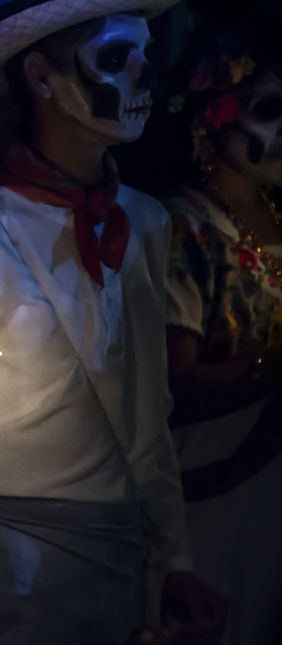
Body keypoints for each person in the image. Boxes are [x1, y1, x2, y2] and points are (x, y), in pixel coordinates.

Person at [0, 1, 227, 643]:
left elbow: (148, 410)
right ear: (41, 77)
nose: (145, 77)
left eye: (148, 55)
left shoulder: (144, 224)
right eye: (116, 59)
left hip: (119, 549)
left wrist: (175, 559)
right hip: (7, 555)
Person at [161, 17, 282, 643]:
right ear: (215, 113)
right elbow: (176, 385)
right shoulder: (188, 225)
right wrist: (268, 371)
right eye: (270, 109)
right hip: (217, 479)